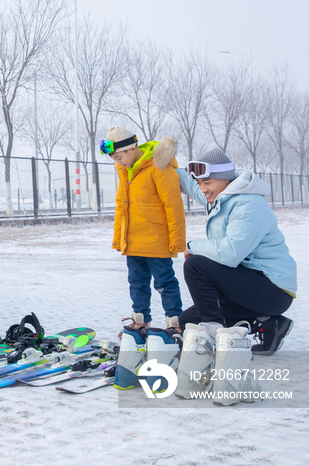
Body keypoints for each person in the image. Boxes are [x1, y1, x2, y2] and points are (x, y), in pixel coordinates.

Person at [176, 148, 296, 355]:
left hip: (273, 289)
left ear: (224, 178)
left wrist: (191, 246)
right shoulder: (223, 196)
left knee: (196, 264)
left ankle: (214, 332)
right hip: (251, 285)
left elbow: (230, 254)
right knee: (187, 320)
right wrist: (160, 163)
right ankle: (271, 324)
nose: (203, 189)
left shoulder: (248, 205)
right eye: (200, 183)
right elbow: (190, 185)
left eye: (207, 183)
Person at [102, 127, 186, 392]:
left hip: (157, 243)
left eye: (118, 157)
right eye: (114, 159)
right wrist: (119, 239)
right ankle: (140, 322)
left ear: (131, 149)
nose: (117, 162)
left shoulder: (158, 168)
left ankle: (174, 325)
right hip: (133, 243)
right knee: (136, 283)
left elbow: (173, 206)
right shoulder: (124, 172)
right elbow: (121, 208)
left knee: (164, 283)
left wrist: (177, 241)